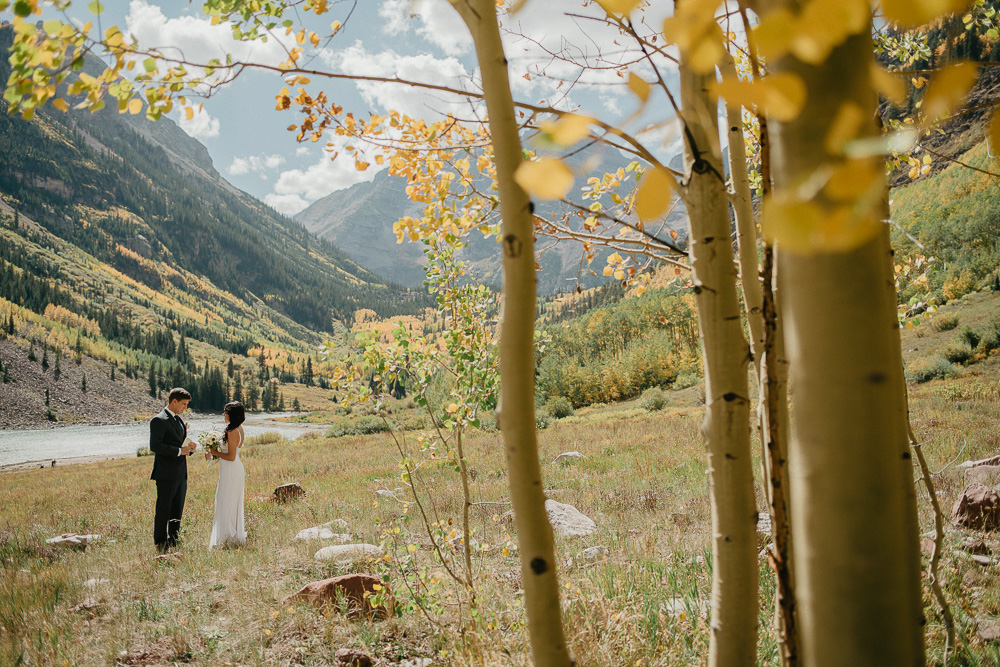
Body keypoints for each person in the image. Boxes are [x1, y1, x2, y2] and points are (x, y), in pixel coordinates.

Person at [149, 387, 195, 553]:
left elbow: (179, 443)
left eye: (186, 405)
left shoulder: (179, 420)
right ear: (174, 401)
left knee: (177, 508)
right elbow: (155, 446)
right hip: (166, 474)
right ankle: (160, 543)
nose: (185, 408)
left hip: (181, 473)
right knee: (164, 509)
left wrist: (189, 448)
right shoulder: (158, 420)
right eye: (183, 404)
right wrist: (178, 451)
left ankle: (174, 540)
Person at [206, 401, 247, 549]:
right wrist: (214, 453)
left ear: (232, 414)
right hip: (233, 470)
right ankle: (231, 535)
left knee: (226, 501)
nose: (223, 414)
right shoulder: (238, 428)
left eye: (225, 412)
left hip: (231, 470)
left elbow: (230, 456)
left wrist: (214, 452)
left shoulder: (232, 431)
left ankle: (227, 537)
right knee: (230, 501)